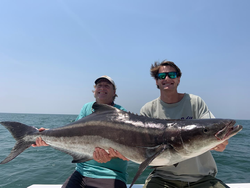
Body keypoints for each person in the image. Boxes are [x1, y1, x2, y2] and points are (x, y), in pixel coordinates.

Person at [140, 60, 229, 188]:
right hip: (162, 179)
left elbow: (211, 130)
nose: (166, 78)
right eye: (161, 76)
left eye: (172, 75)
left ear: (178, 79)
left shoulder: (195, 102)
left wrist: (221, 142)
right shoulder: (147, 110)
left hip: (201, 178)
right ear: (156, 81)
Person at [32, 75, 129, 188]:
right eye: (99, 85)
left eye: (107, 86)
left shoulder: (121, 113)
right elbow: (73, 132)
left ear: (114, 92)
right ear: (94, 91)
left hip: (110, 174)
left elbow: (127, 148)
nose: (102, 88)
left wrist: (110, 155)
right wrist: (47, 135)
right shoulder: (86, 107)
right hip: (81, 172)